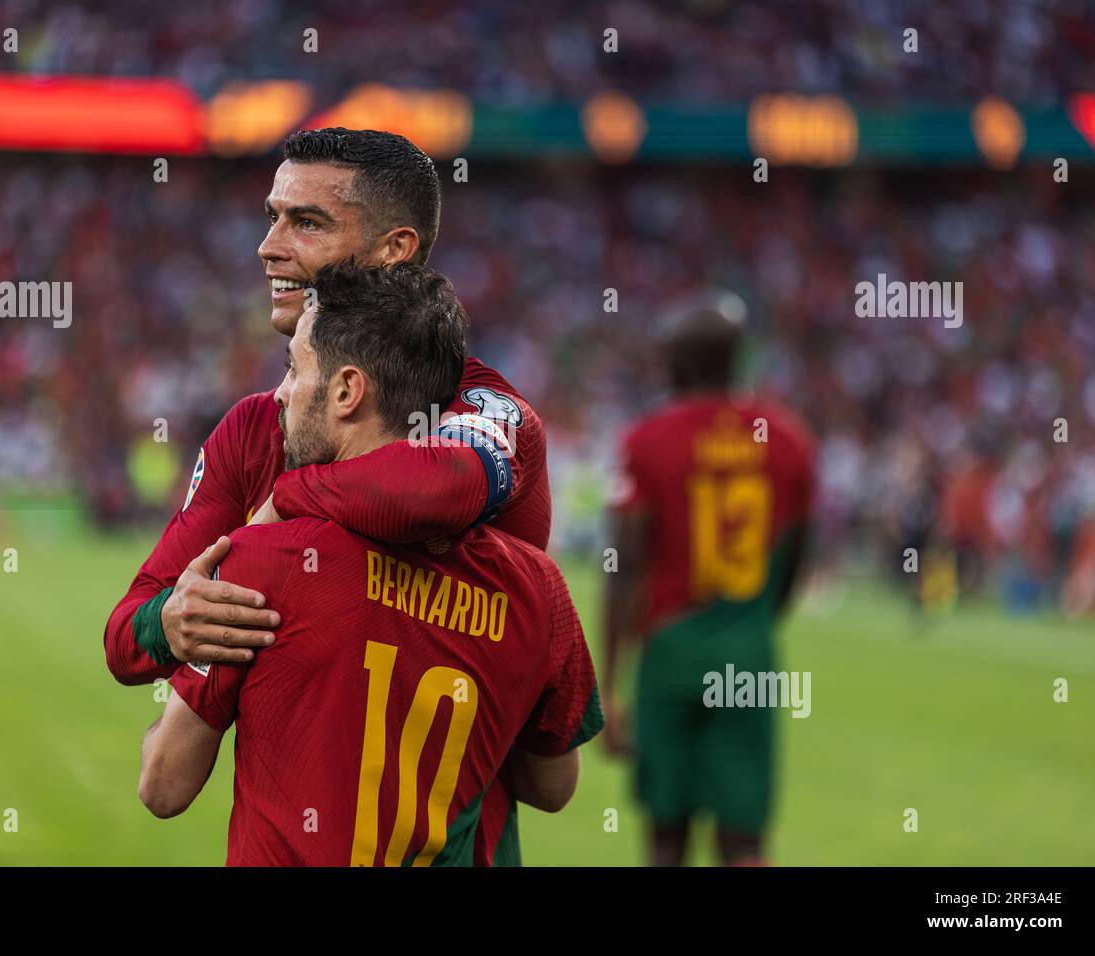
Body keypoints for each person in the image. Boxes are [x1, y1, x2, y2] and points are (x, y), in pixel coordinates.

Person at [103, 128, 552, 863]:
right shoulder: (254, 426)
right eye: (273, 215)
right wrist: (172, 622)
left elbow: (433, 489)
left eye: (305, 222)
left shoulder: (485, 411)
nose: (268, 246)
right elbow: (125, 639)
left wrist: (275, 516)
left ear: (395, 250)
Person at [138, 263, 602, 865]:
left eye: (293, 369)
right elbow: (553, 787)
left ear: (346, 391)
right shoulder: (539, 588)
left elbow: (164, 785)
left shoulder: (263, 557)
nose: (280, 393)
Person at [601, 291, 815, 866]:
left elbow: (623, 567)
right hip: (749, 654)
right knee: (745, 842)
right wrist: (752, 624)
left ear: (678, 362)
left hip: (669, 654)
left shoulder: (647, 442)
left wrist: (611, 682)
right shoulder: (788, 440)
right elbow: (796, 560)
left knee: (667, 837)